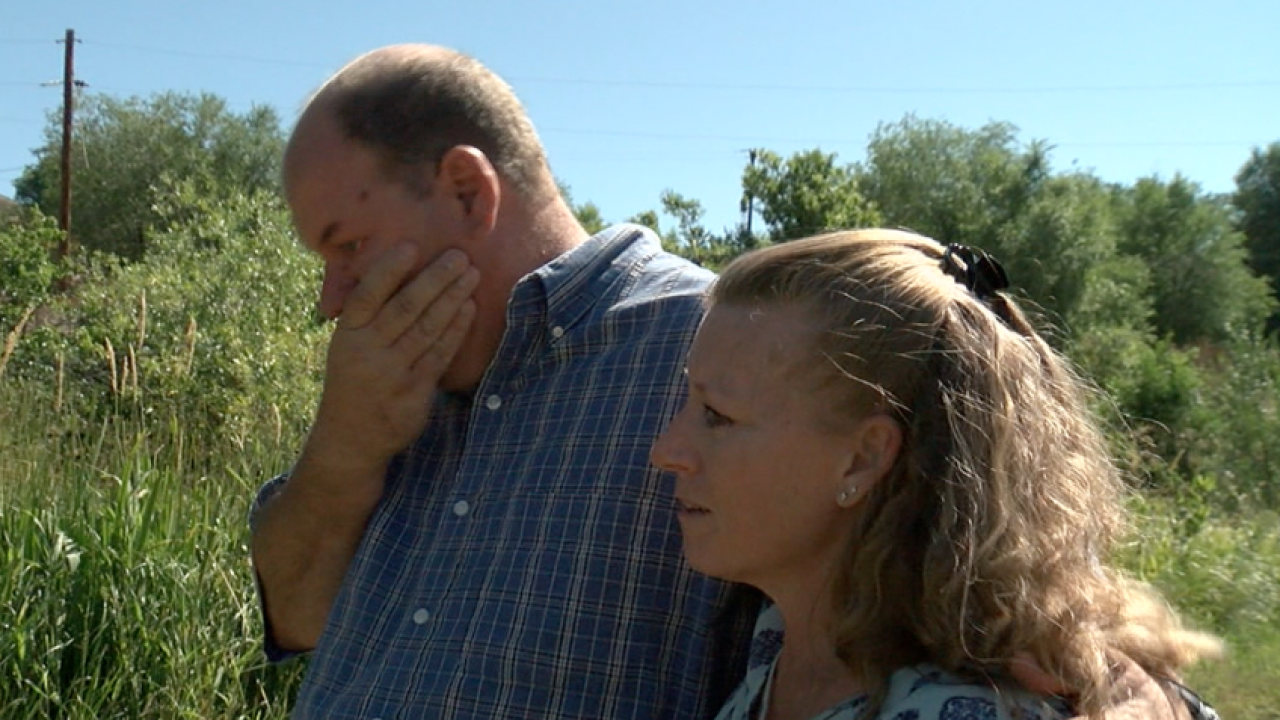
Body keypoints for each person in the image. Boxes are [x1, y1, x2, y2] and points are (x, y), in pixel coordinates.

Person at [250, 43, 1208, 720]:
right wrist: (342, 450)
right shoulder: (382, 389)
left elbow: (993, 574)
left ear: (468, 189)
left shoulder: (721, 347)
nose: (332, 299)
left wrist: (1118, 694)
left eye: (348, 247)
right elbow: (298, 622)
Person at [649, 229, 1221, 720]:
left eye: (717, 415)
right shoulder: (785, 644)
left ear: (862, 458)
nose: (666, 450)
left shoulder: (959, 704)